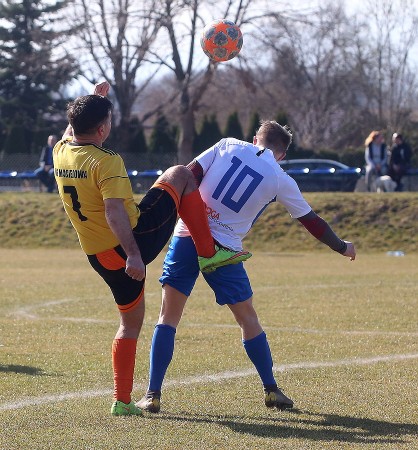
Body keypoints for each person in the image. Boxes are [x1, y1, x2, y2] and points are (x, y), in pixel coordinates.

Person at [53, 81, 251, 417]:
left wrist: (95, 101)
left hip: (99, 256)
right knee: (181, 174)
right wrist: (134, 254)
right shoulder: (106, 160)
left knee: (130, 323)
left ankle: (122, 400)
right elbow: (114, 212)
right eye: (108, 120)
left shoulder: (61, 150)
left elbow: (71, 130)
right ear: (102, 129)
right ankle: (208, 252)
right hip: (133, 240)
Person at [137, 120, 356, 414]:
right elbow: (312, 222)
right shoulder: (280, 178)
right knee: (248, 319)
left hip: (187, 237)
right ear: (282, 155)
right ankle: (271, 389)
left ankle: (152, 394)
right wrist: (342, 246)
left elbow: (189, 175)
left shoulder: (227, 144)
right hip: (224, 251)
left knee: (168, 317)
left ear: (255, 139)